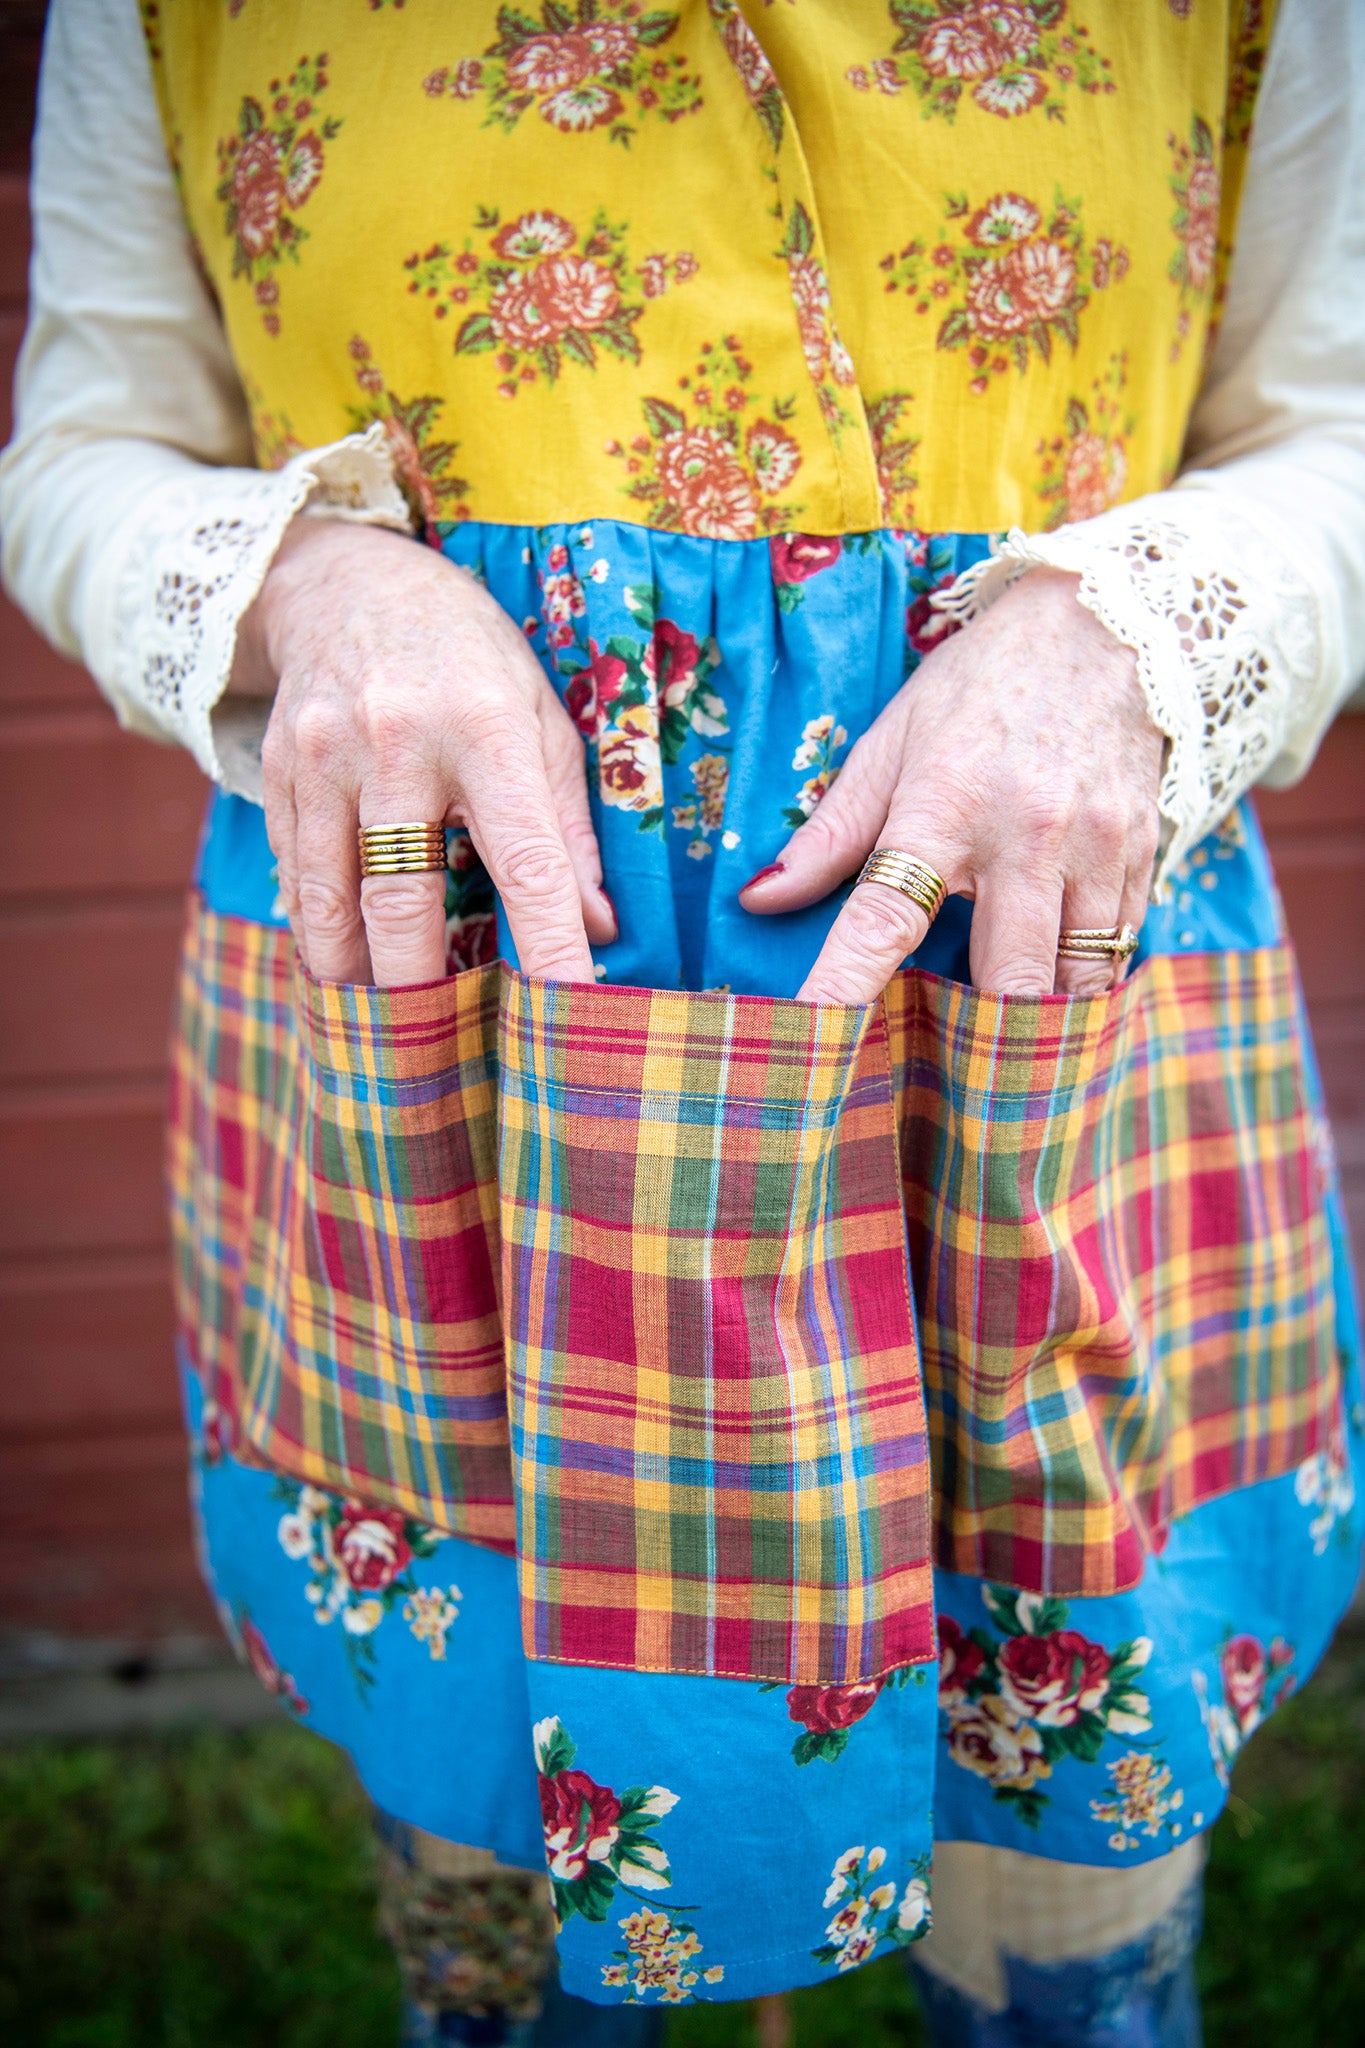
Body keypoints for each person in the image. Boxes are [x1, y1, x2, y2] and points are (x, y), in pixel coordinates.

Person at [4, 2, 1364, 2042]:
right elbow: (87, 441)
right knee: (509, 1908)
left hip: (1028, 1000)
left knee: (1069, 1906)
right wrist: (309, 599)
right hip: (437, 1048)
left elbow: (1334, 417)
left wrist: (1123, 630)